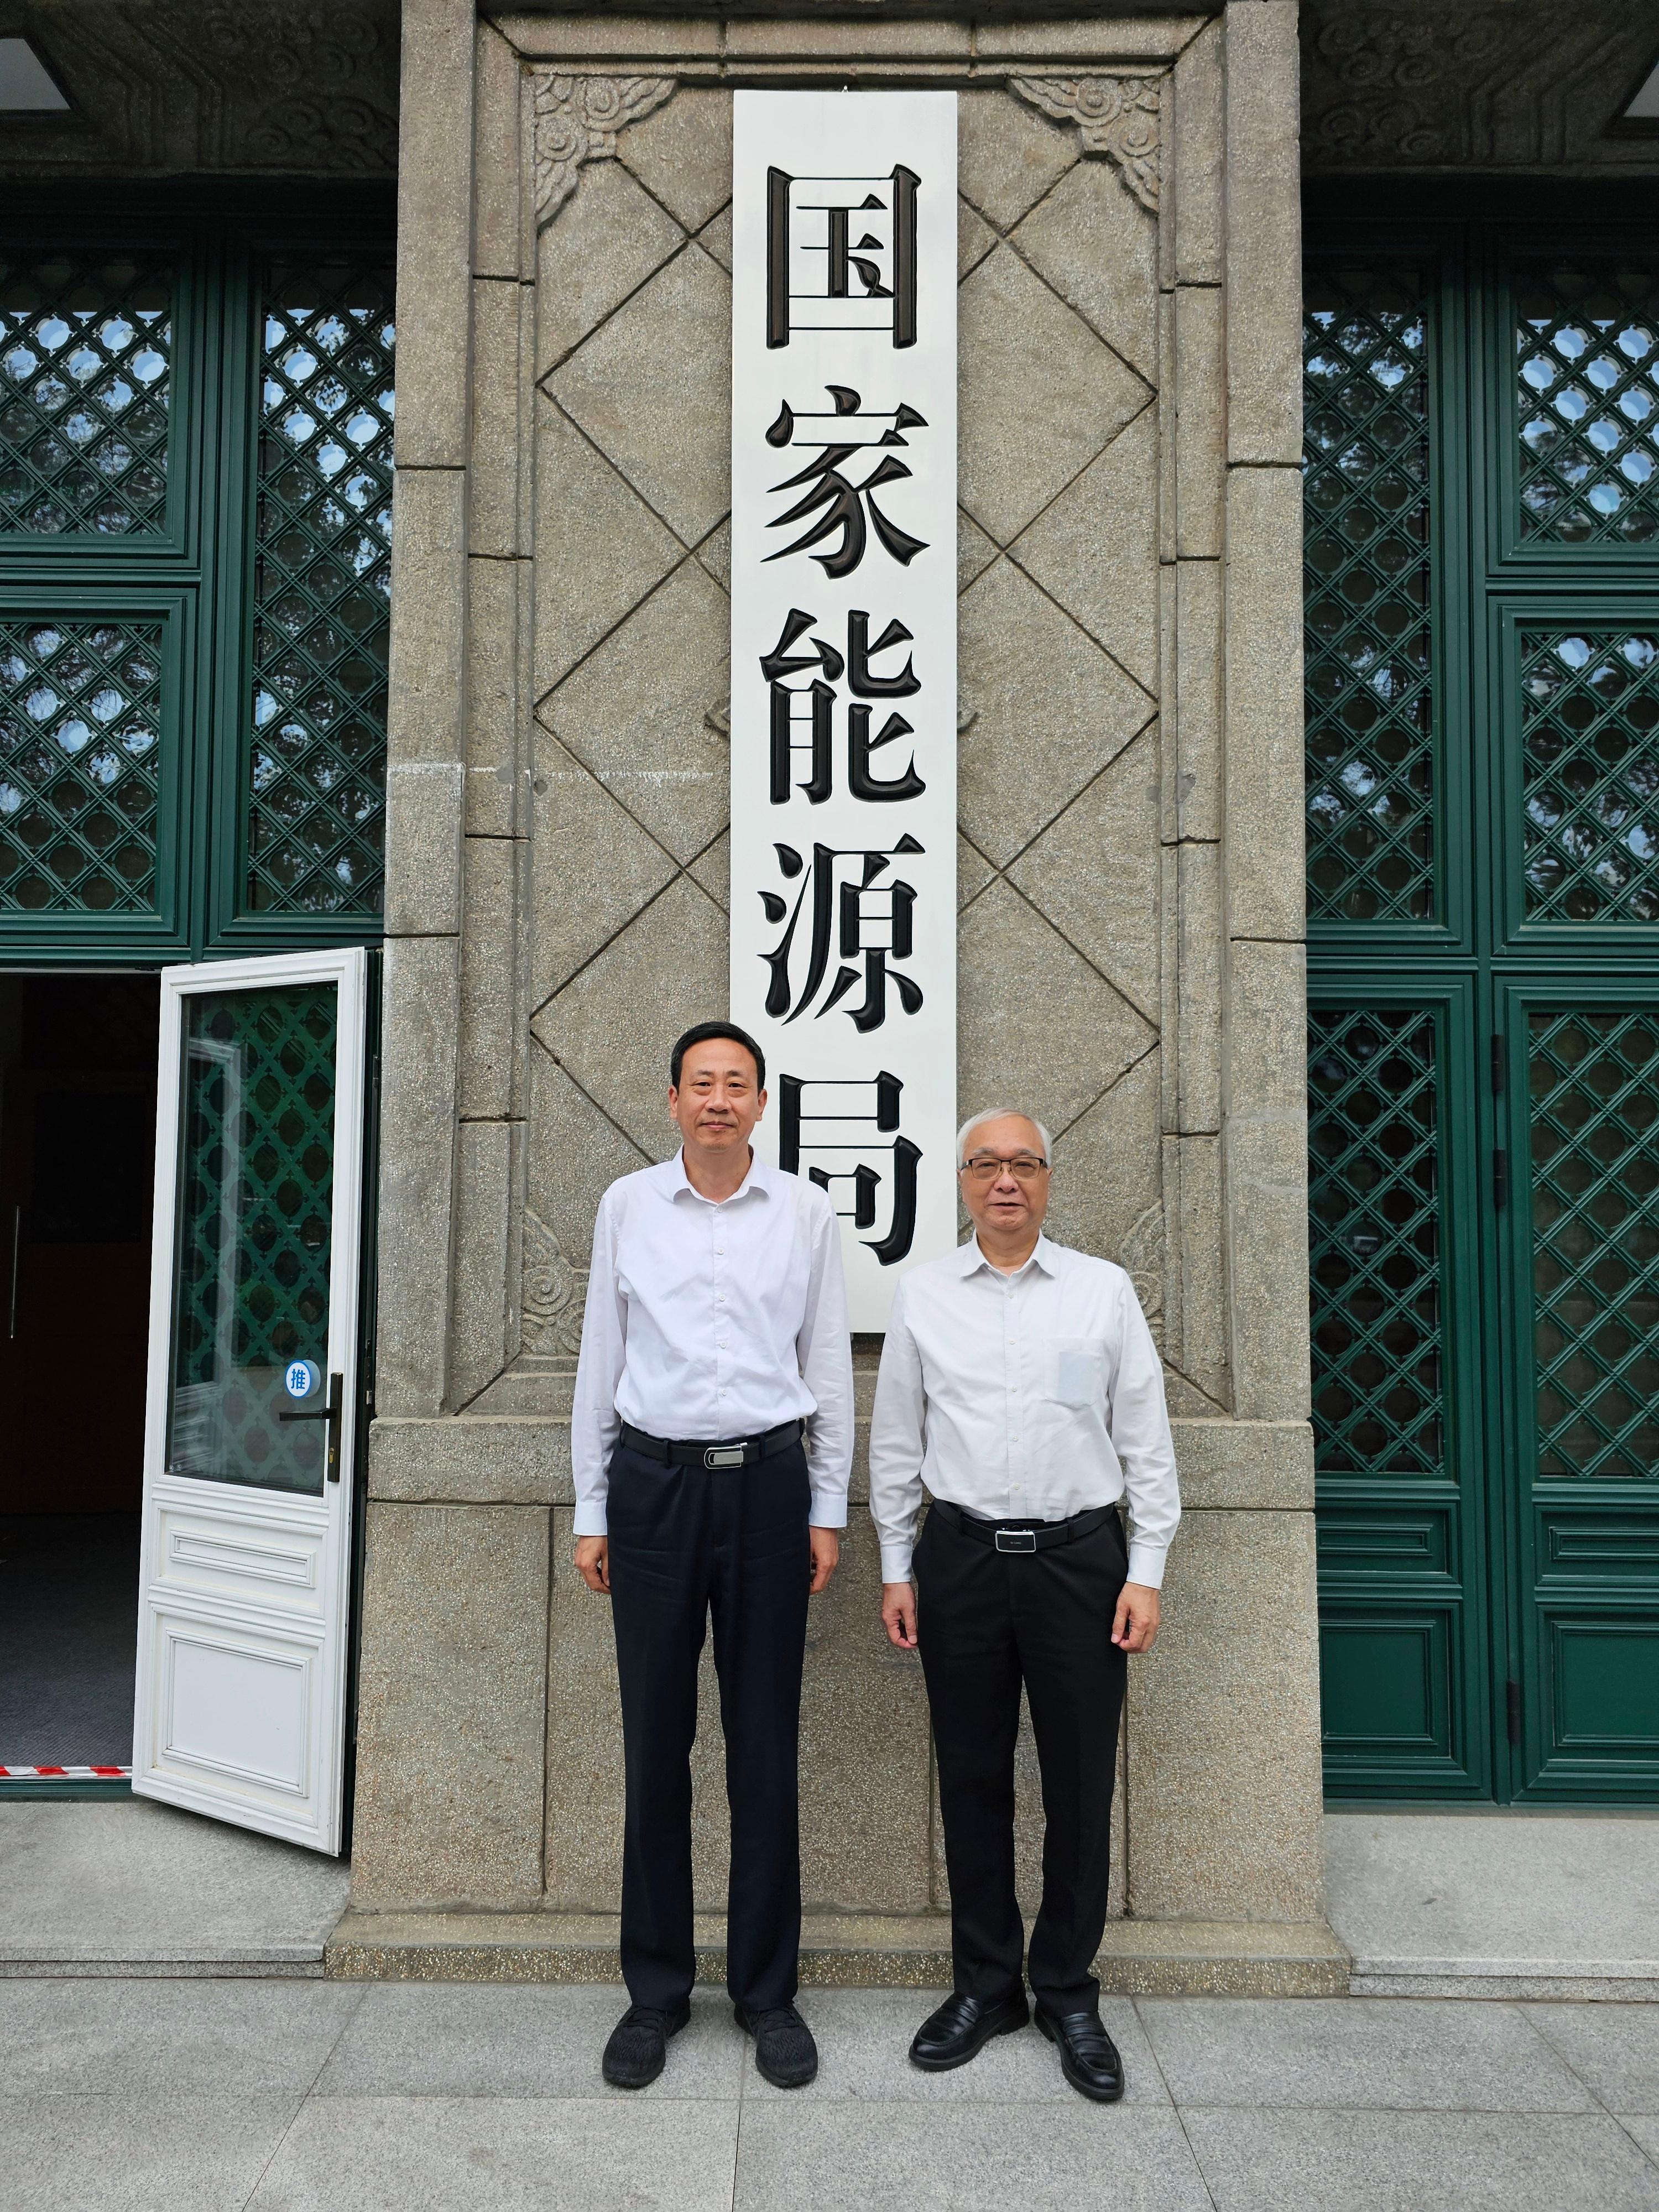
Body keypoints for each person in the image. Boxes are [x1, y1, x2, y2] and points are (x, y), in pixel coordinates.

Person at [867, 1108, 1180, 2102]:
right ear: (960, 1182)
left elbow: (1145, 1436)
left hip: (1083, 1562)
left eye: (1025, 1165)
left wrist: (1148, 1568)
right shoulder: (924, 1296)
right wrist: (895, 1564)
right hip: (958, 1560)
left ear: (1048, 1180)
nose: (1007, 1181)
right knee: (972, 1779)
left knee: (1080, 1783)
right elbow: (897, 1444)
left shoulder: (1102, 1292)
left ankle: (1068, 1990)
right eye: (986, 1165)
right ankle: (987, 1985)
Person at [570, 1021, 852, 2093]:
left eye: (739, 1083)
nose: (720, 1099)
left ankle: (767, 1991)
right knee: (656, 1739)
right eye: (702, 1083)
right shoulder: (628, 1205)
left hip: (773, 1487)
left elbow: (825, 1355)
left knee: (763, 1740)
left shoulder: (807, 1211)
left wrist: (828, 1503)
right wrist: (593, 1504)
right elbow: (605, 1355)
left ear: (763, 1102)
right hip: (652, 1488)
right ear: (674, 1098)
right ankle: (655, 1990)